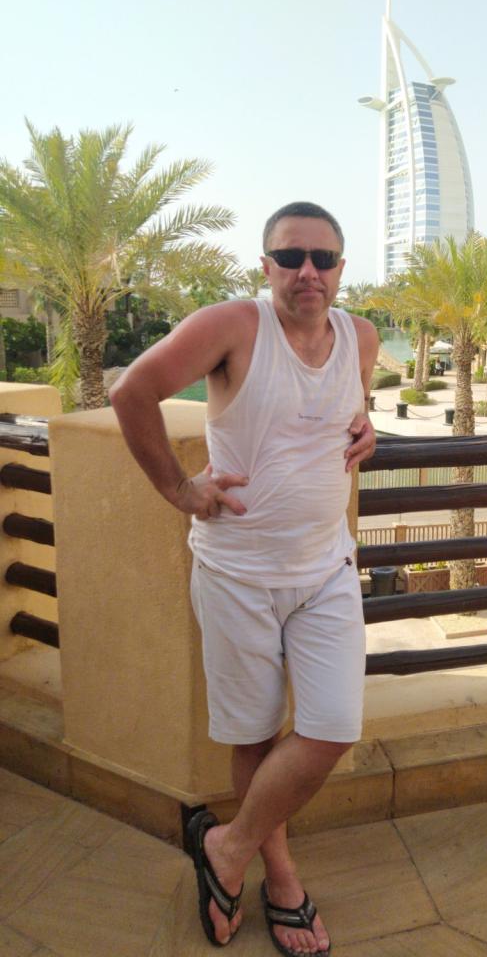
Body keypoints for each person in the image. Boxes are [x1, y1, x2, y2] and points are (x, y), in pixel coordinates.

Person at [109, 201, 378, 956]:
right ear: (266, 266)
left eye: (323, 259)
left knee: (331, 728)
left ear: (341, 268)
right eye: (290, 257)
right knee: (255, 733)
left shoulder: (361, 336)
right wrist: (179, 489)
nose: (307, 272)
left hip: (326, 568)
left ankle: (226, 846)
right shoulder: (233, 326)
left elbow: (347, 410)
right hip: (237, 573)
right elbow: (131, 392)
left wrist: (368, 424)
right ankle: (279, 877)